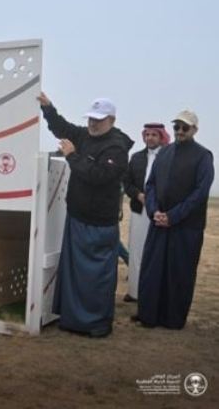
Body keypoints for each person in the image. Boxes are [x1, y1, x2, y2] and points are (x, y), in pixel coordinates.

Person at [38, 93, 133, 337]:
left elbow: (98, 176)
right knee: (75, 276)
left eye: (98, 120)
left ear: (111, 119)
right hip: (78, 217)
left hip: (100, 224)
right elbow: (62, 128)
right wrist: (48, 107)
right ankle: (73, 320)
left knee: (97, 278)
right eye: (91, 118)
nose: (92, 124)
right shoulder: (84, 136)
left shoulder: (117, 148)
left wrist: (71, 156)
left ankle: (96, 324)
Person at [132, 110, 214, 329]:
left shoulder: (203, 156)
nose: (180, 131)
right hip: (159, 222)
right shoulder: (165, 153)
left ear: (194, 130)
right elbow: (150, 185)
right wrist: (154, 211)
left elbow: (200, 192)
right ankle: (149, 315)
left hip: (186, 227)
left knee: (179, 273)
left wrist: (174, 216)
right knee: (153, 270)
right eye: (176, 127)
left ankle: (172, 319)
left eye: (184, 128)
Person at [123, 123, 170, 302]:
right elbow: (126, 182)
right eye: (147, 135)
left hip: (160, 212)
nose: (150, 138)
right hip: (139, 210)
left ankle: (154, 294)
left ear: (161, 137)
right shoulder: (136, 158)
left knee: (156, 252)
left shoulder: (168, 157)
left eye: (154, 135)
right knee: (136, 250)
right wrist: (138, 195)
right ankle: (134, 292)